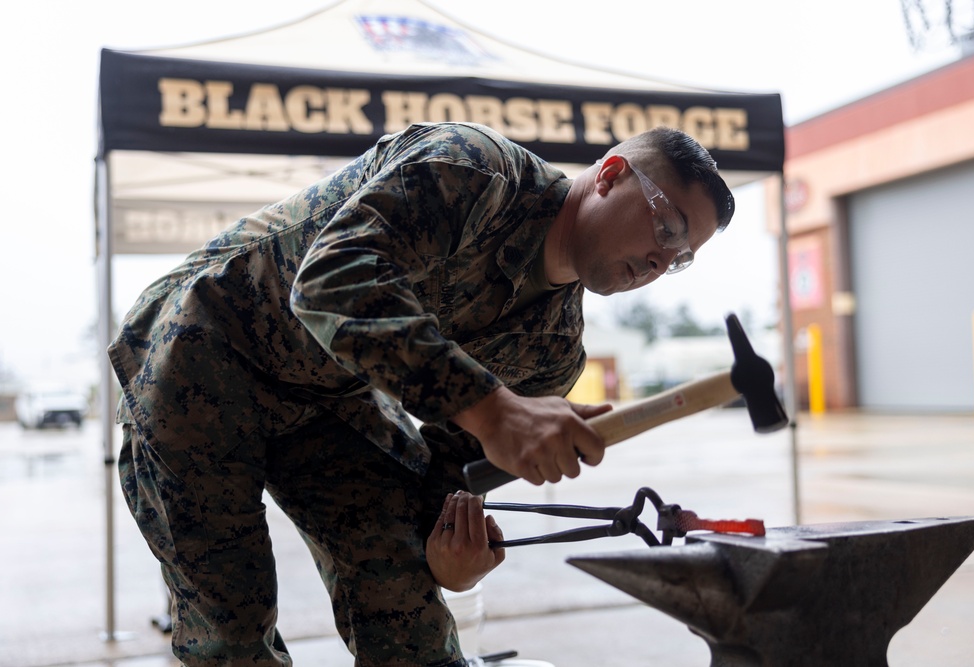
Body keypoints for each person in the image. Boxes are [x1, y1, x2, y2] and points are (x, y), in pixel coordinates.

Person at [109, 121, 734, 667]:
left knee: (407, 609)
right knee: (232, 627)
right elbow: (329, 281)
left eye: (680, 257)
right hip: (206, 349)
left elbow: (445, 478)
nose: (661, 258)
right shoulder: (473, 171)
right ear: (611, 175)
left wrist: (446, 559)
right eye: (666, 224)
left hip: (329, 398)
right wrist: (494, 409)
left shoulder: (553, 347)